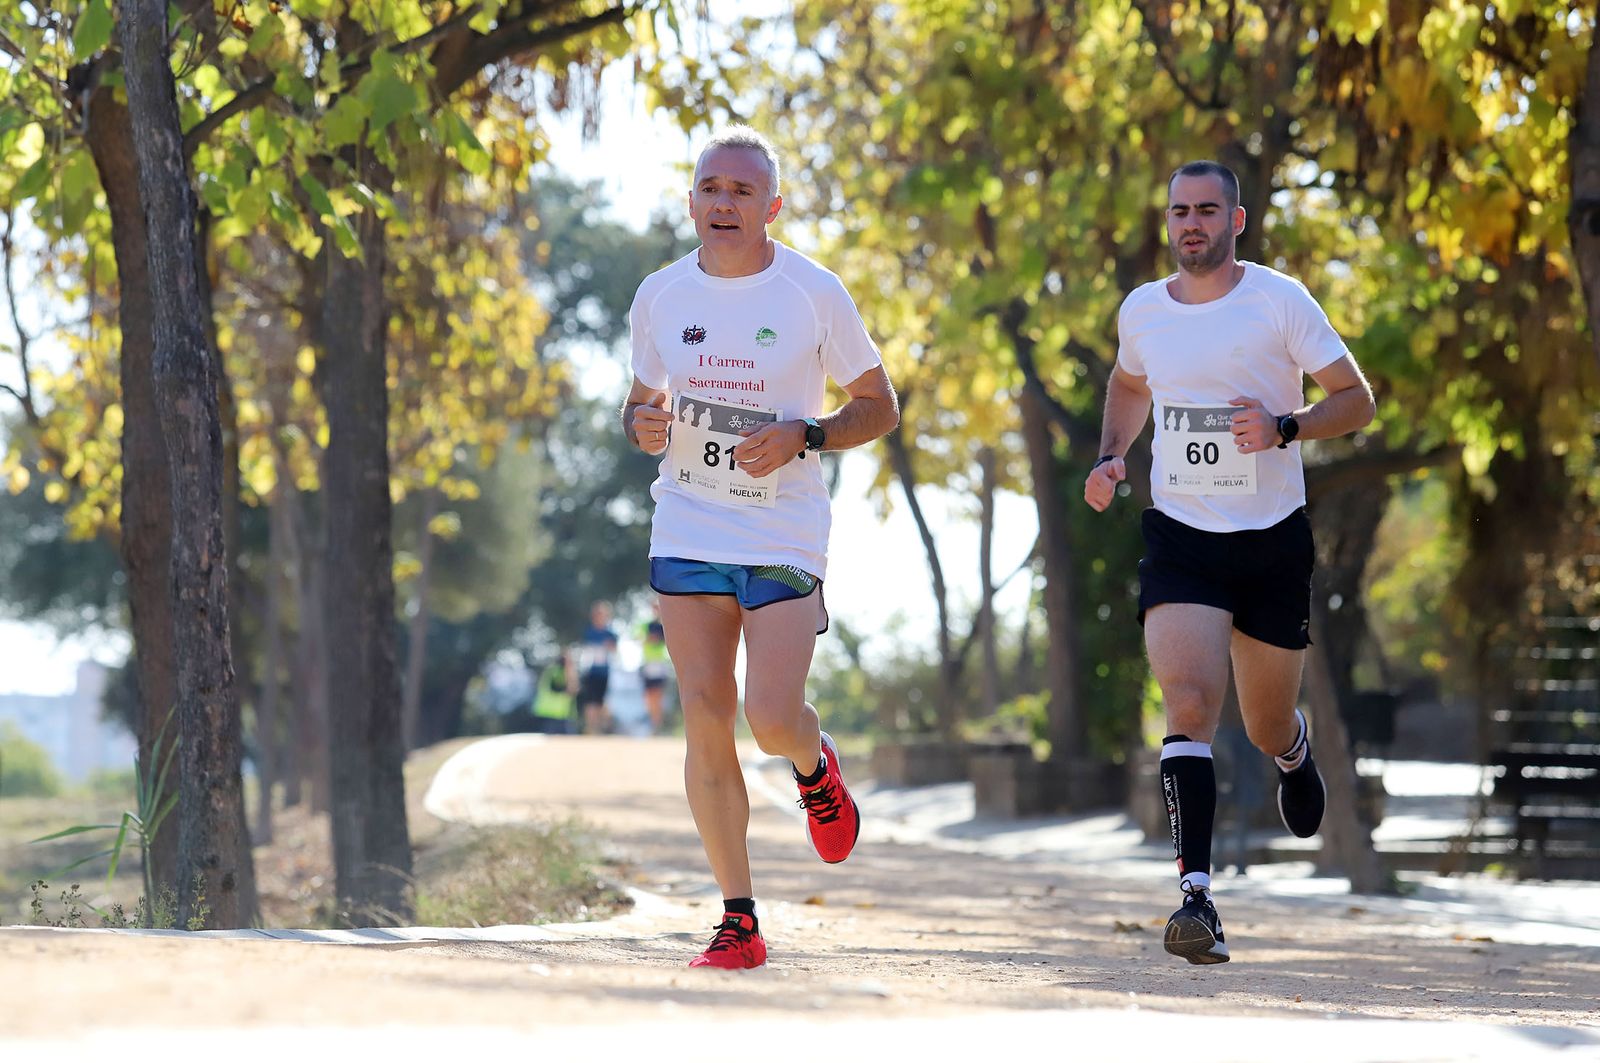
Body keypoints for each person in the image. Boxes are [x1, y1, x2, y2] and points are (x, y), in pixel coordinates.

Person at [1083, 160, 1375, 966]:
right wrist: (1112, 456)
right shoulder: (1143, 310)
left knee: (1263, 719)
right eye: (1179, 210)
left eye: (1208, 210)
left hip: (1271, 537)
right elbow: (1129, 382)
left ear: (1236, 221)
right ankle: (1197, 899)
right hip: (1181, 536)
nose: (1191, 224)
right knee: (1188, 702)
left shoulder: (1280, 300)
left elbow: (1358, 400)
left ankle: (1292, 750)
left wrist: (1284, 427)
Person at [622, 125, 899, 970]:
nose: (725, 203)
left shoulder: (812, 292)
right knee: (705, 714)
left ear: (771, 206)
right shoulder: (661, 296)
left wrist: (805, 433)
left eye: (743, 191)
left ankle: (814, 768)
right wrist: (642, 425)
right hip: (689, 524)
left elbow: (879, 404)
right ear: (692, 202)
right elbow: (640, 410)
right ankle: (737, 918)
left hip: (782, 528)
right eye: (712, 188)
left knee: (769, 715)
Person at [577, 602, 618, 735]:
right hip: (590, 671)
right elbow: (584, 650)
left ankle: (600, 728)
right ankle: (591, 727)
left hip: (605, 672)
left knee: (601, 701)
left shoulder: (610, 634)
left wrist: (609, 646)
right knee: (590, 701)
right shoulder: (589, 632)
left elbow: (615, 651)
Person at [528, 650, 577, 735]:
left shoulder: (559, 671)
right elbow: (562, 688)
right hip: (552, 710)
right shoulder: (555, 672)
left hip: (560, 712)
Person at [639, 615, 672, 734]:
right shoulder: (646, 625)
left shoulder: (664, 625)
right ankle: (653, 723)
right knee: (649, 697)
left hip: (659, 664)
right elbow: (640, 639)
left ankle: (657, 724)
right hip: (648, 664)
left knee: (658, 696)